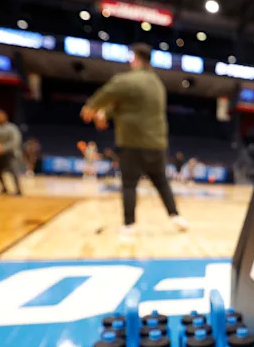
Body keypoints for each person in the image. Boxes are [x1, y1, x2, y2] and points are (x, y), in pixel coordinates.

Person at [80, 43, 188, 239]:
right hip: (157, 143)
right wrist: (106, 113)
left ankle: (129, 225)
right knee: (161, 181)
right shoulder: (157, 83)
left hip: (132, 143)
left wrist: (91, 107)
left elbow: (109, 92)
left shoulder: (129, 80)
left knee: (129, 184)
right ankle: (176, 216)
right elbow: (128, 106)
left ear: (135, 58)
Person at [0, 109, 23, 196]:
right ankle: (4, 188)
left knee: (13, 171)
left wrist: (1, 148)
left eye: (1, 116)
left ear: (5, 117)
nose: (0, 118)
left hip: (10, 153)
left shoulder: (12, 128)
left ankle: (18, 190)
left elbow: (15, 142)